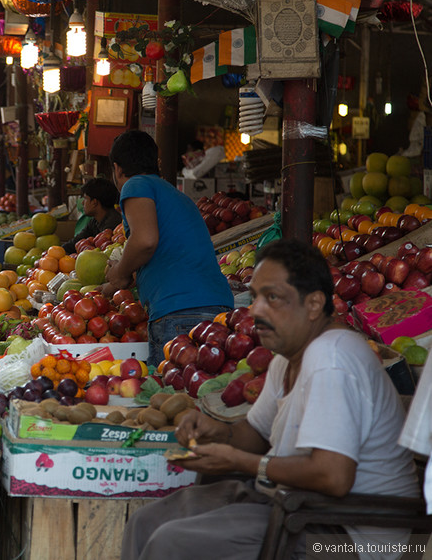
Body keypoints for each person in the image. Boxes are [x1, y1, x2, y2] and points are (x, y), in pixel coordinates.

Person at [121, 238, 419, 560]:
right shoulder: (284, 359)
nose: (256, 310)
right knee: (145, 522)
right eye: (256, 296)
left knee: (172, 542)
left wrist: (240, 463)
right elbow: (257, 433)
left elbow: (333, 477)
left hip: (345, 531)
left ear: (314, 305)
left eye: (273, 298)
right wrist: (216, 431)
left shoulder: (332, 358)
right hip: (295, 505)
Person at [103, 130, 232, 366]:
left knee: (171, 397)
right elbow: (163, 254)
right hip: (214, 307)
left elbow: (145, 241)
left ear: (118, 169)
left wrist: (120, 271)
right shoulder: (172, 194)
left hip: (181, 312)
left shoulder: (135, 185)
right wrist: (116, 281)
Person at [62, 178, 123, 254]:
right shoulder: (94, 221)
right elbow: (75, 242)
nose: (82, 203)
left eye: (85, 198)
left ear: (94, 202)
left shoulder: (113, 223)